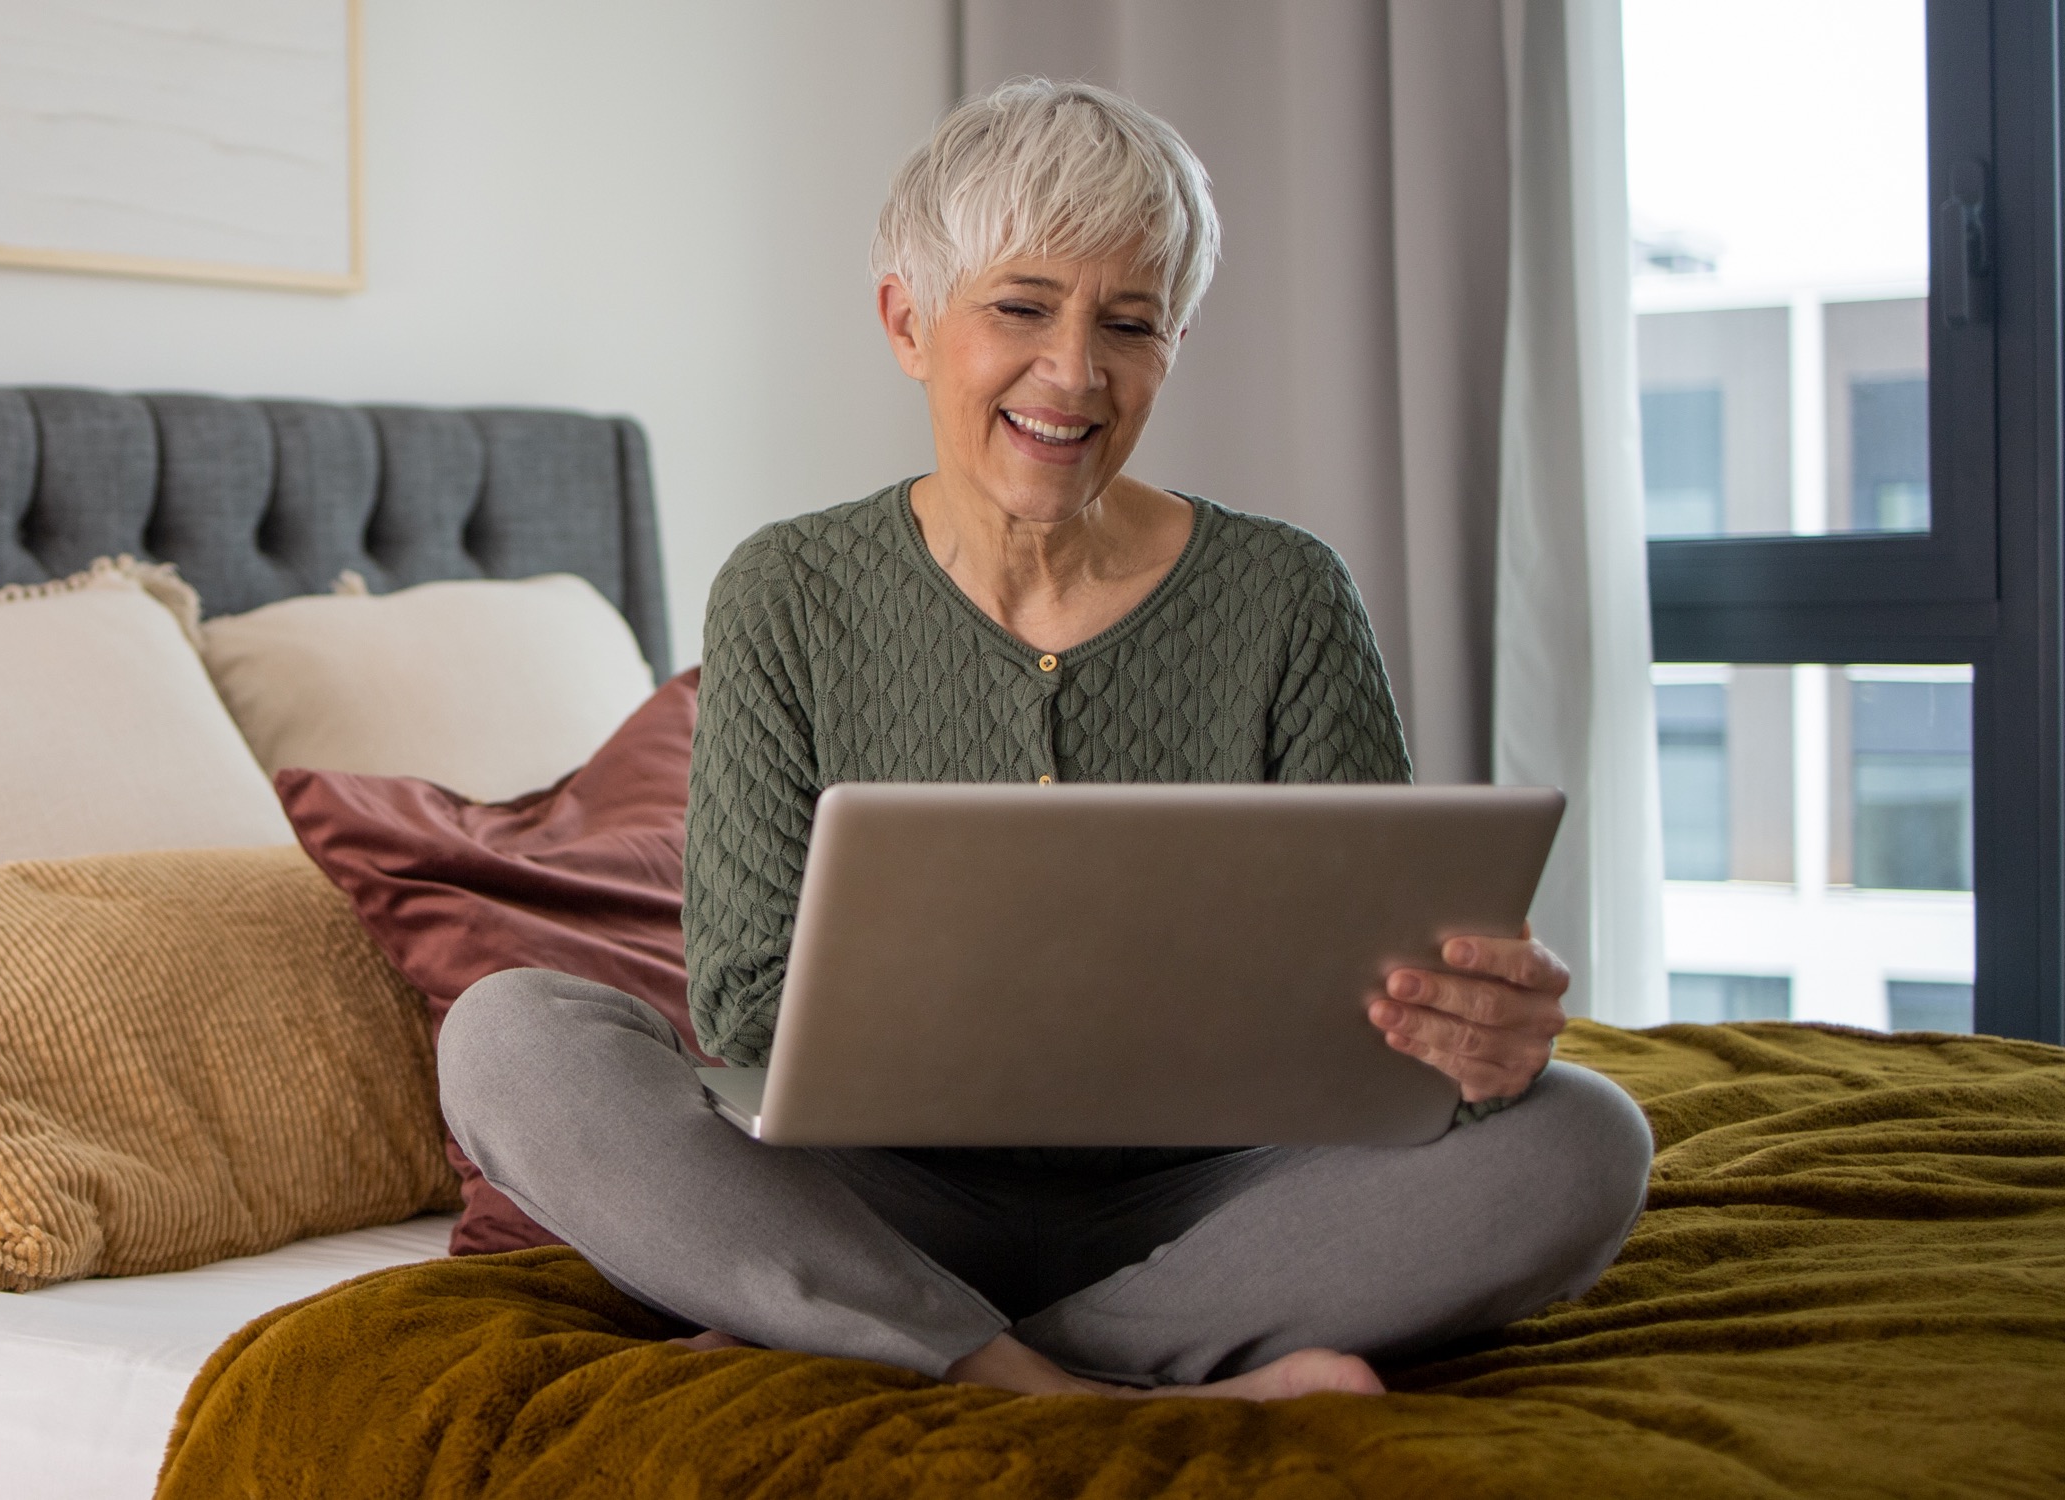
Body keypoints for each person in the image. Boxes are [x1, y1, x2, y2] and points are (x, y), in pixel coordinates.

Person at [437, 79, 1653, 1401]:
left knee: (1586, 1137)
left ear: (1170, 343)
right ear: (909, 321)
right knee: (510, 1036)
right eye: (1021, 307)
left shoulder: (1287, 595)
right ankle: (1123, 1382)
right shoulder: (785, 591)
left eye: (1128, 324)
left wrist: (1472, 1040)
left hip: (1220, 1197)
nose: (1074, 371)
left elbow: (1369, 1008)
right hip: (875, 1191)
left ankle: (947, 1355)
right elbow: (741, 1006)